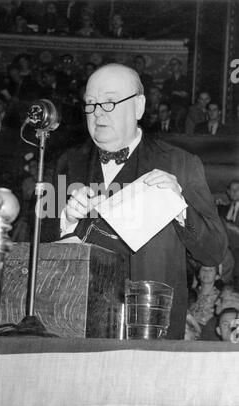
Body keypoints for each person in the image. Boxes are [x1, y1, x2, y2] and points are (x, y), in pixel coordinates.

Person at [38, 63, 228, 340]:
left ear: (138, 107)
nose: (98, 112)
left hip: (152, 329)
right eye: (90, 104)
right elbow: (39, 247)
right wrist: (66, 219)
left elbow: (213, 252)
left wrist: (180, 208)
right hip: (77, 325)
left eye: (110, 102)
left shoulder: (180, 163)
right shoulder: (68, 162)